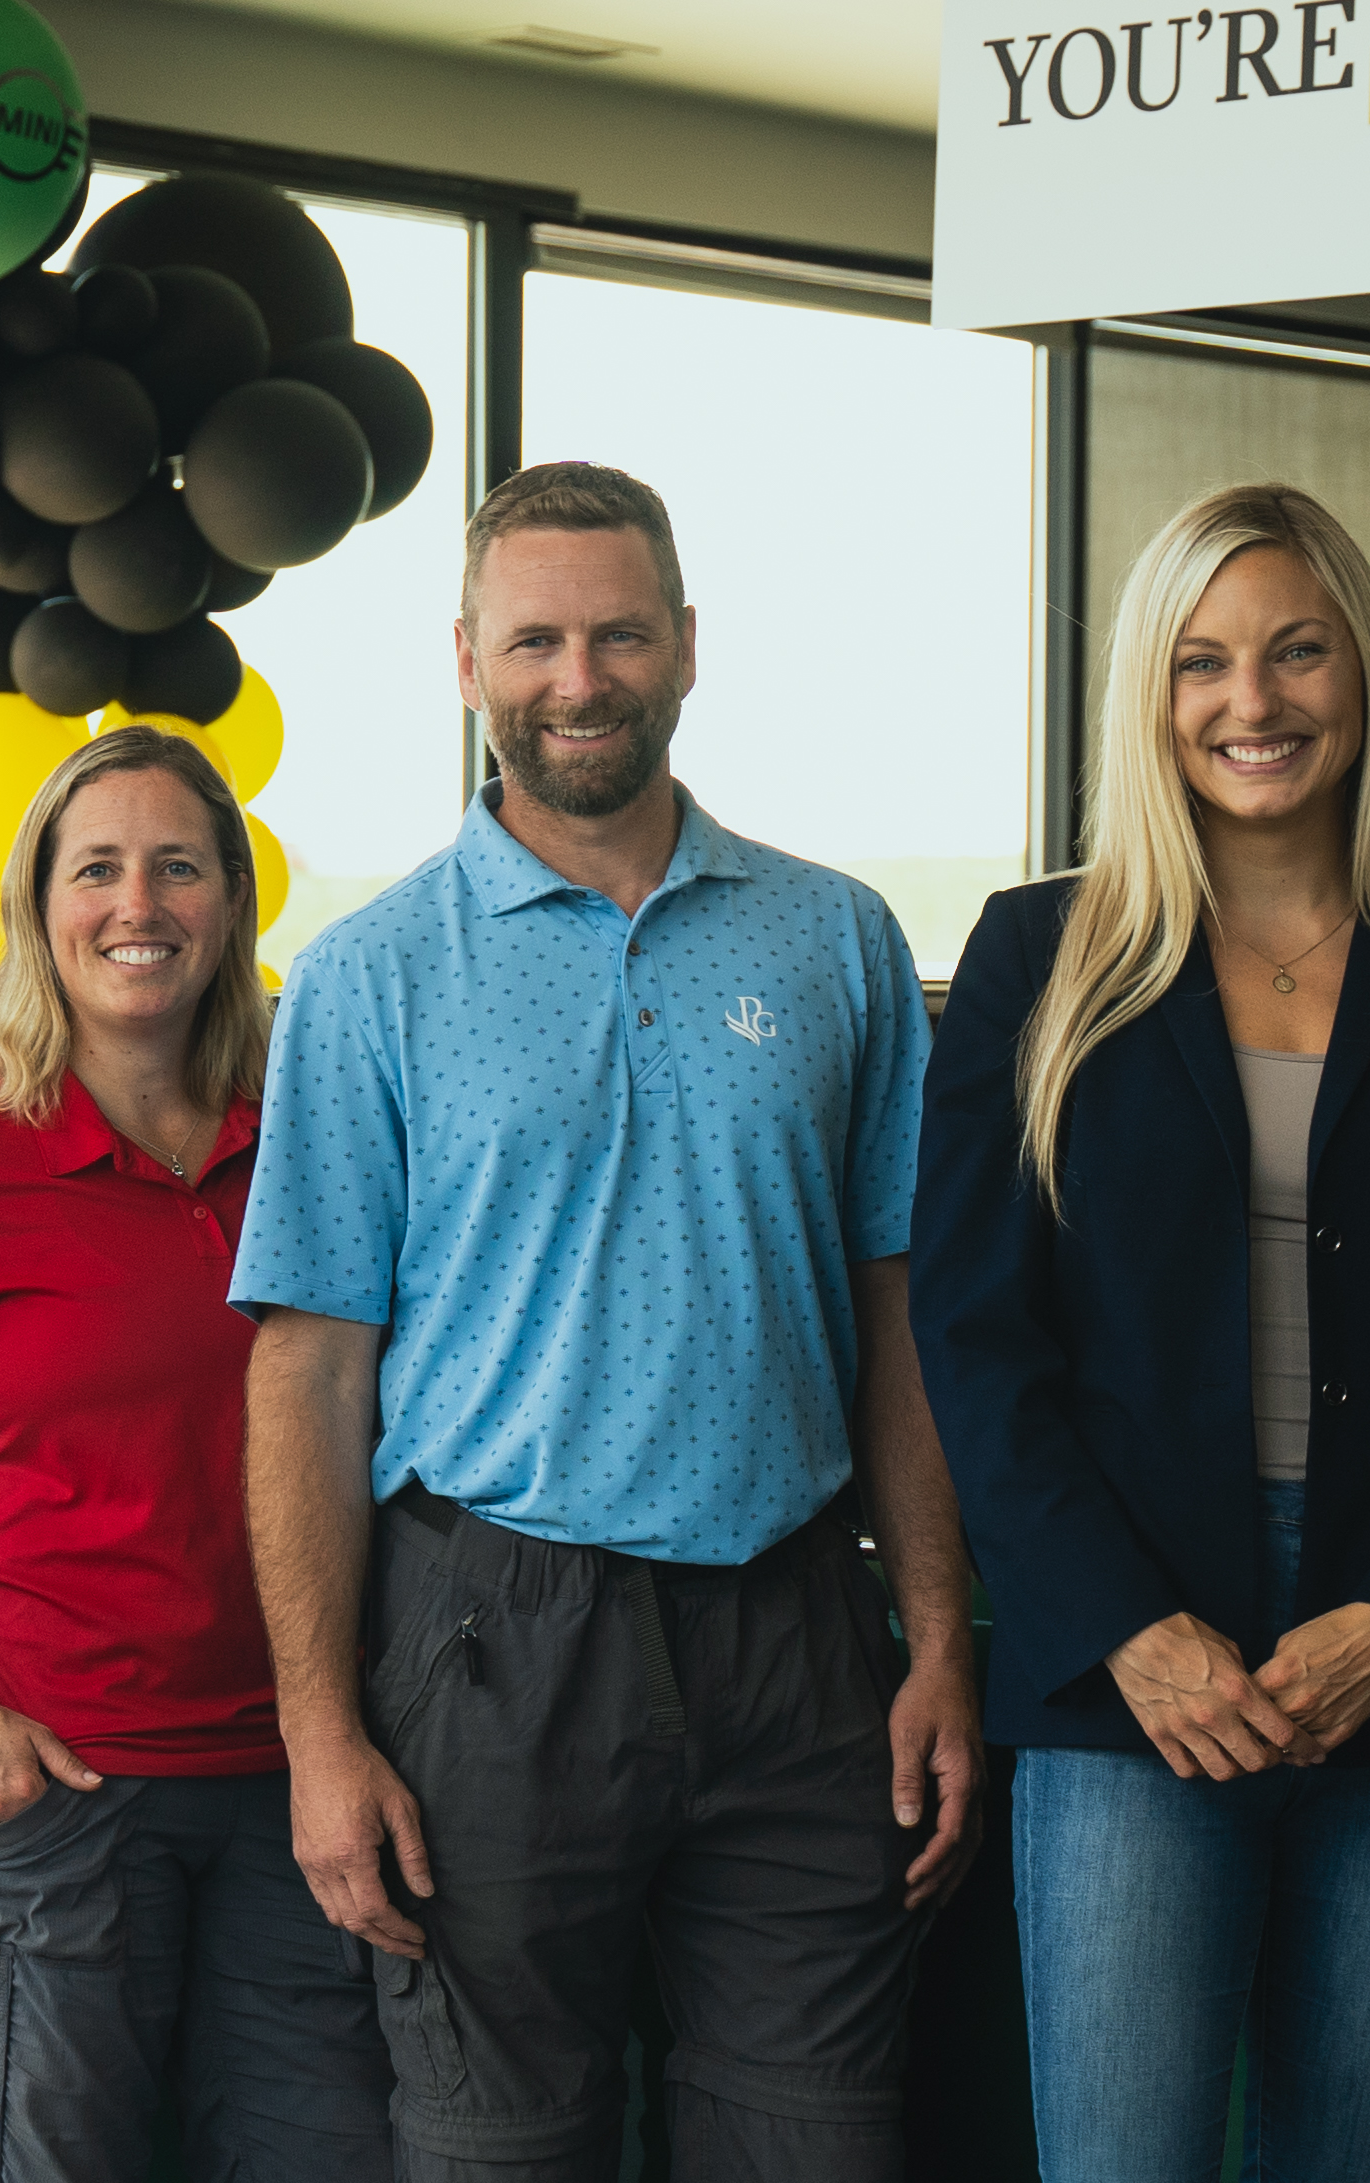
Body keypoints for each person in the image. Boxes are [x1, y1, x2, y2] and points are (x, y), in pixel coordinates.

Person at [233, 460, 978, 2183]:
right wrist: (319, 1732)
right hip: (486, 1647)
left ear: (687, 645)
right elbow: (308, 1368)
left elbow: (900, 1313)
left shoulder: (835, 939)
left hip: (799, 1638)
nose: (580, 679)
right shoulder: (367, 975)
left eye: (621, 635)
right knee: (497, 2154)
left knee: (817, 2150)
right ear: (467, 661)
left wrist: (939, 1637)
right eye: (535, 642)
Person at [914, 483, 1370, 2179]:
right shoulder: (1040, 956)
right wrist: (1129, 1633)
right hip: (1128, 1670)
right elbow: (973, 1337)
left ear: (1364, 672)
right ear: (1152, 689)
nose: (1249, 701)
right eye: (1201, 661)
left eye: (1296, 652)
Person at [0, 727, 391, 2183]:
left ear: (232, 902)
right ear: (38, 908)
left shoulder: (310, 1154)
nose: (138, 904)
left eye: (177, 867)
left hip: (290, 1789)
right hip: (46, 1804)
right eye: (98, 868)